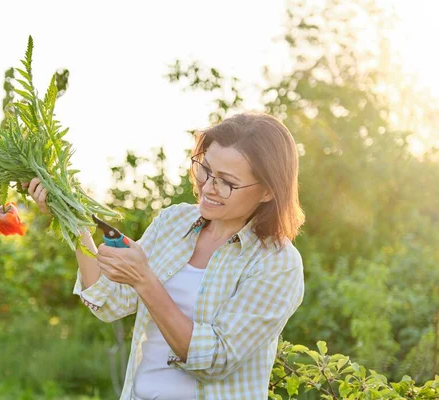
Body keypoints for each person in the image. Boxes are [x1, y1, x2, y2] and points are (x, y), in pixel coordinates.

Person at [26, 112, 305, 400]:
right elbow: (109, 302)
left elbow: (214, 361)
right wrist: (75, 224)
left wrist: (145, 281)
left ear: (268, 191)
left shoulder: (277, 263)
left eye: (227, 182)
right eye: (205, 169)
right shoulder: (173, 223)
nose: (208, 187)